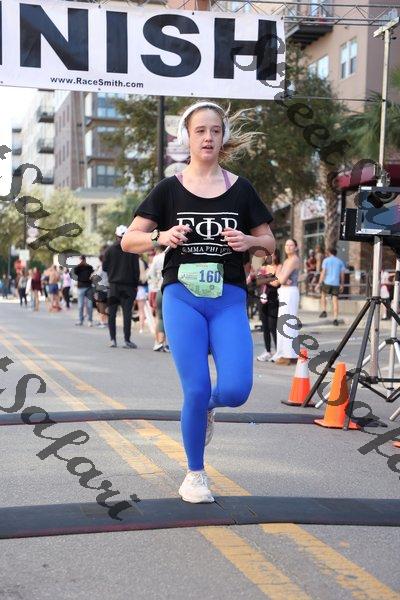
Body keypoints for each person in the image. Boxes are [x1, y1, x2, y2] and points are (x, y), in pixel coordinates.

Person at [121, 101, 275, 503]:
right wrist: (160, 237)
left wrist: (250, 240)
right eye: (200, 131)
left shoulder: (242, 189)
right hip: (182, 297)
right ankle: (195, 474)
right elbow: (129, 240)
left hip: (228, 298)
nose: (208, 137)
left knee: (236, 390)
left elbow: (269, 244)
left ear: (223, 138)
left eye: (215, 131)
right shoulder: (168, 189)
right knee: (195, 386)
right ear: (186, 138)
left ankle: (206, 407)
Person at [103, 225, 139, 348]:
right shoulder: (132, 250)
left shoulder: (109, 250)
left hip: (113, 286)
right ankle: (127, 340)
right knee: (127, 314)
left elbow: (104, 268)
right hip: (128, 287)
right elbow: (136, 270)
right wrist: (135, 285)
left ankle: (113, 339)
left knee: (112, 314)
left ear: (116, 236)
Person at [271, 239, 301, 366]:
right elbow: (277, 281)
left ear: (296, 247)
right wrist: (280, 276)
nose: (288, 247)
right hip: (285, 292)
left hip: (289, 292)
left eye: (291, 245)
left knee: (287, 323)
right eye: (286, 245)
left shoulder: (293, 260)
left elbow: (281, 279)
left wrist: (279, 274)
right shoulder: (287, 260)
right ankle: (288, 353)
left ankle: (288, 355)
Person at [256, 250, 282, 361]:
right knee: (265, 327)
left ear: (276, 255)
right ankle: (267, 351)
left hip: (273, 300)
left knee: (273, 326)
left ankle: (278, 351)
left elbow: (276, 283)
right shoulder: (263, 267)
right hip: (262, 299)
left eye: (271, 254)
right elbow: (258, 281)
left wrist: (265, 279)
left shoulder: (279, 267)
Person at [316, 246, 345, 326]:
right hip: (336, 283)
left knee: (323, 295)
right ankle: (335, 319)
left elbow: (323, 272)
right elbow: (342, 275)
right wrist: (342, 284)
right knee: (335, 300)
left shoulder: (326, 260)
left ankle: (324, 311)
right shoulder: (340, 262)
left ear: (329, 253)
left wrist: (319, 283)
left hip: (327, 282)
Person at [147, 246, 169, 351]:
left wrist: (155, 284)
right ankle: (169, 343)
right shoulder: (179, 254)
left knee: (160, 317)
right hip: (175, 290)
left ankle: (159, 342)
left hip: (161, 288)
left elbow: (151, 274)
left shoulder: (157, 258)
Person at [74, 256, 94, 326]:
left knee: (90, 305)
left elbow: (92, 274)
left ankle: (90, 320)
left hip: (89, 287)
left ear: (85, 260)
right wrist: (79, 264)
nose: (82, 261)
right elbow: (75, 272)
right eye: (81, 260)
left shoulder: (89, 267)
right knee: (80, 305)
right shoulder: (78, 268)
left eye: (82, 260)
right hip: (80, 287)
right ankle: (80, 320)